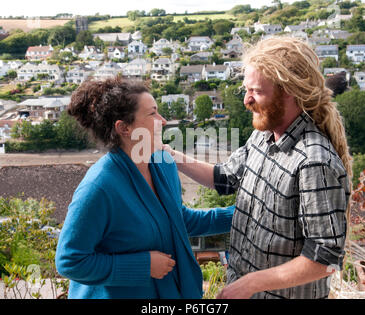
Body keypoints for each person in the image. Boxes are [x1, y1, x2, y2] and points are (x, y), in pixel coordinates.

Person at [163, 36, 352, 299]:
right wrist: (169, 154)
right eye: (246, 90)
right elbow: (226, 178)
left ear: (289, 90)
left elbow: (325, 259)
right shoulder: (263, 136)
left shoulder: (314, 163)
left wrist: (252, 283)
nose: (246, 100)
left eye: (256, 91)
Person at [55, 76, 234, 299]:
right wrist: (143, 265)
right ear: (124, 128)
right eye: (152, 114)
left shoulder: (162, 164)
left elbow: (178, 220)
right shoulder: (99, 187)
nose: (163, 120)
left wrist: (241, 214)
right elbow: (69, 261)